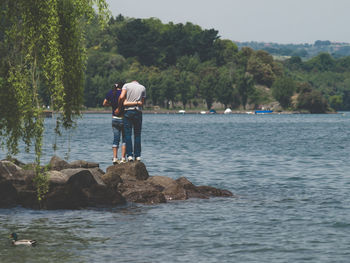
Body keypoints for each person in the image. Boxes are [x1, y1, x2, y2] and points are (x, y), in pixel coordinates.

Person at [120, 80, 146, 161]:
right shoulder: (142, 87)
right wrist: (137, 102)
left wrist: (124, 102)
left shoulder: (126, 85)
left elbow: (121, 97)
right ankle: (137, 156)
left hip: (128, 111)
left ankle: (130, 155)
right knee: (137, 134)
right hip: (138, 111)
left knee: (128, 134)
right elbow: (142, 103)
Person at [103, 82, 126, 164]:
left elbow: (104, 103)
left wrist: (111, 104)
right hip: (124, 118)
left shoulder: (110, 92)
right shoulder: (124, 93)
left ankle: (115, 158)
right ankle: (123, 158)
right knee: (124, 139)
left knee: (116, 139)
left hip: (114, 119)